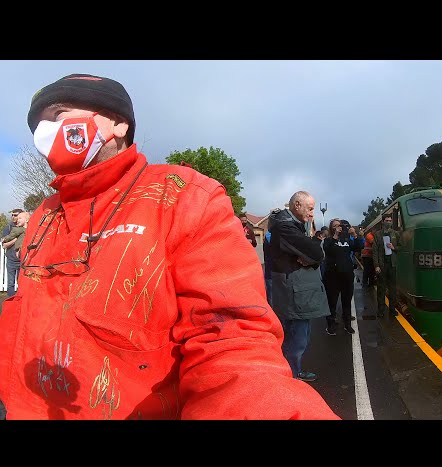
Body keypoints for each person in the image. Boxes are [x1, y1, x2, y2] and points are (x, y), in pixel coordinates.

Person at [0, 73, 339, 420]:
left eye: (59, 115)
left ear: (117, 123)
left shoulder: (185, 196)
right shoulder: (45, 212)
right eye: (38, 126)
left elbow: (231, 341)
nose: (46, 134)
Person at [268, 191, 330, 382]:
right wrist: (314, 258)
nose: (312, 214)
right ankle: (291, 377)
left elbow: (311, 251)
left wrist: (309, 258)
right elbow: (317, 253)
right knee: (297, 338)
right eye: (310, 209)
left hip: (296, 290)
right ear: (297, 205)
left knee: (297, 335)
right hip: (294, 292)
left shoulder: (294, 225)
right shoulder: (285, 227)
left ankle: (293, 371)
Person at [323, 218, 360, 335]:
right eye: (335, 226)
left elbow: (358, 247)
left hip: (347, 275)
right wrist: (335, 236)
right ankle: (331, 324)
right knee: (332, 302)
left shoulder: (347, 240)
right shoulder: (329, 240)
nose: (338, 227)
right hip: (332, 276)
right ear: (331, 228)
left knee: (346, 301)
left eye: (339, 225)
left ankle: (347, 324)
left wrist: (354, 234)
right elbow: (327, 250)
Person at [372, 213, 401, 318]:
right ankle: (381, 310)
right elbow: (374, 251)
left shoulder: (395, 234)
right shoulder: (377, 235)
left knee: (393, 289)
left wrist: (394, 247)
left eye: (390, 221)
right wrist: (376, 265)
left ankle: (392, 310)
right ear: (383, 221)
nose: (389, 222)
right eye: (387, 220)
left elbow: (401, 248)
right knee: (381, 289)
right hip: (382, 266)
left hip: (392, 265)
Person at [1, 208, 24, 298]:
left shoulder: (26, 227)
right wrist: (15, 239)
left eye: (16, 215)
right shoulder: (8, 228)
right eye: (12, 215)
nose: (13, 217)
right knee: (10, 283)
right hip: (11, 260)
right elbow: (4, 245)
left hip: (22, 260)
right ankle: (10, 300)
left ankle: (20, 300)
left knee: (21, 282)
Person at [263, 229, 273, 306]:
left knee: (271, 292)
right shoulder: (270, 235)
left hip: (269, 268)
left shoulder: (267, 235)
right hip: (274, 269)